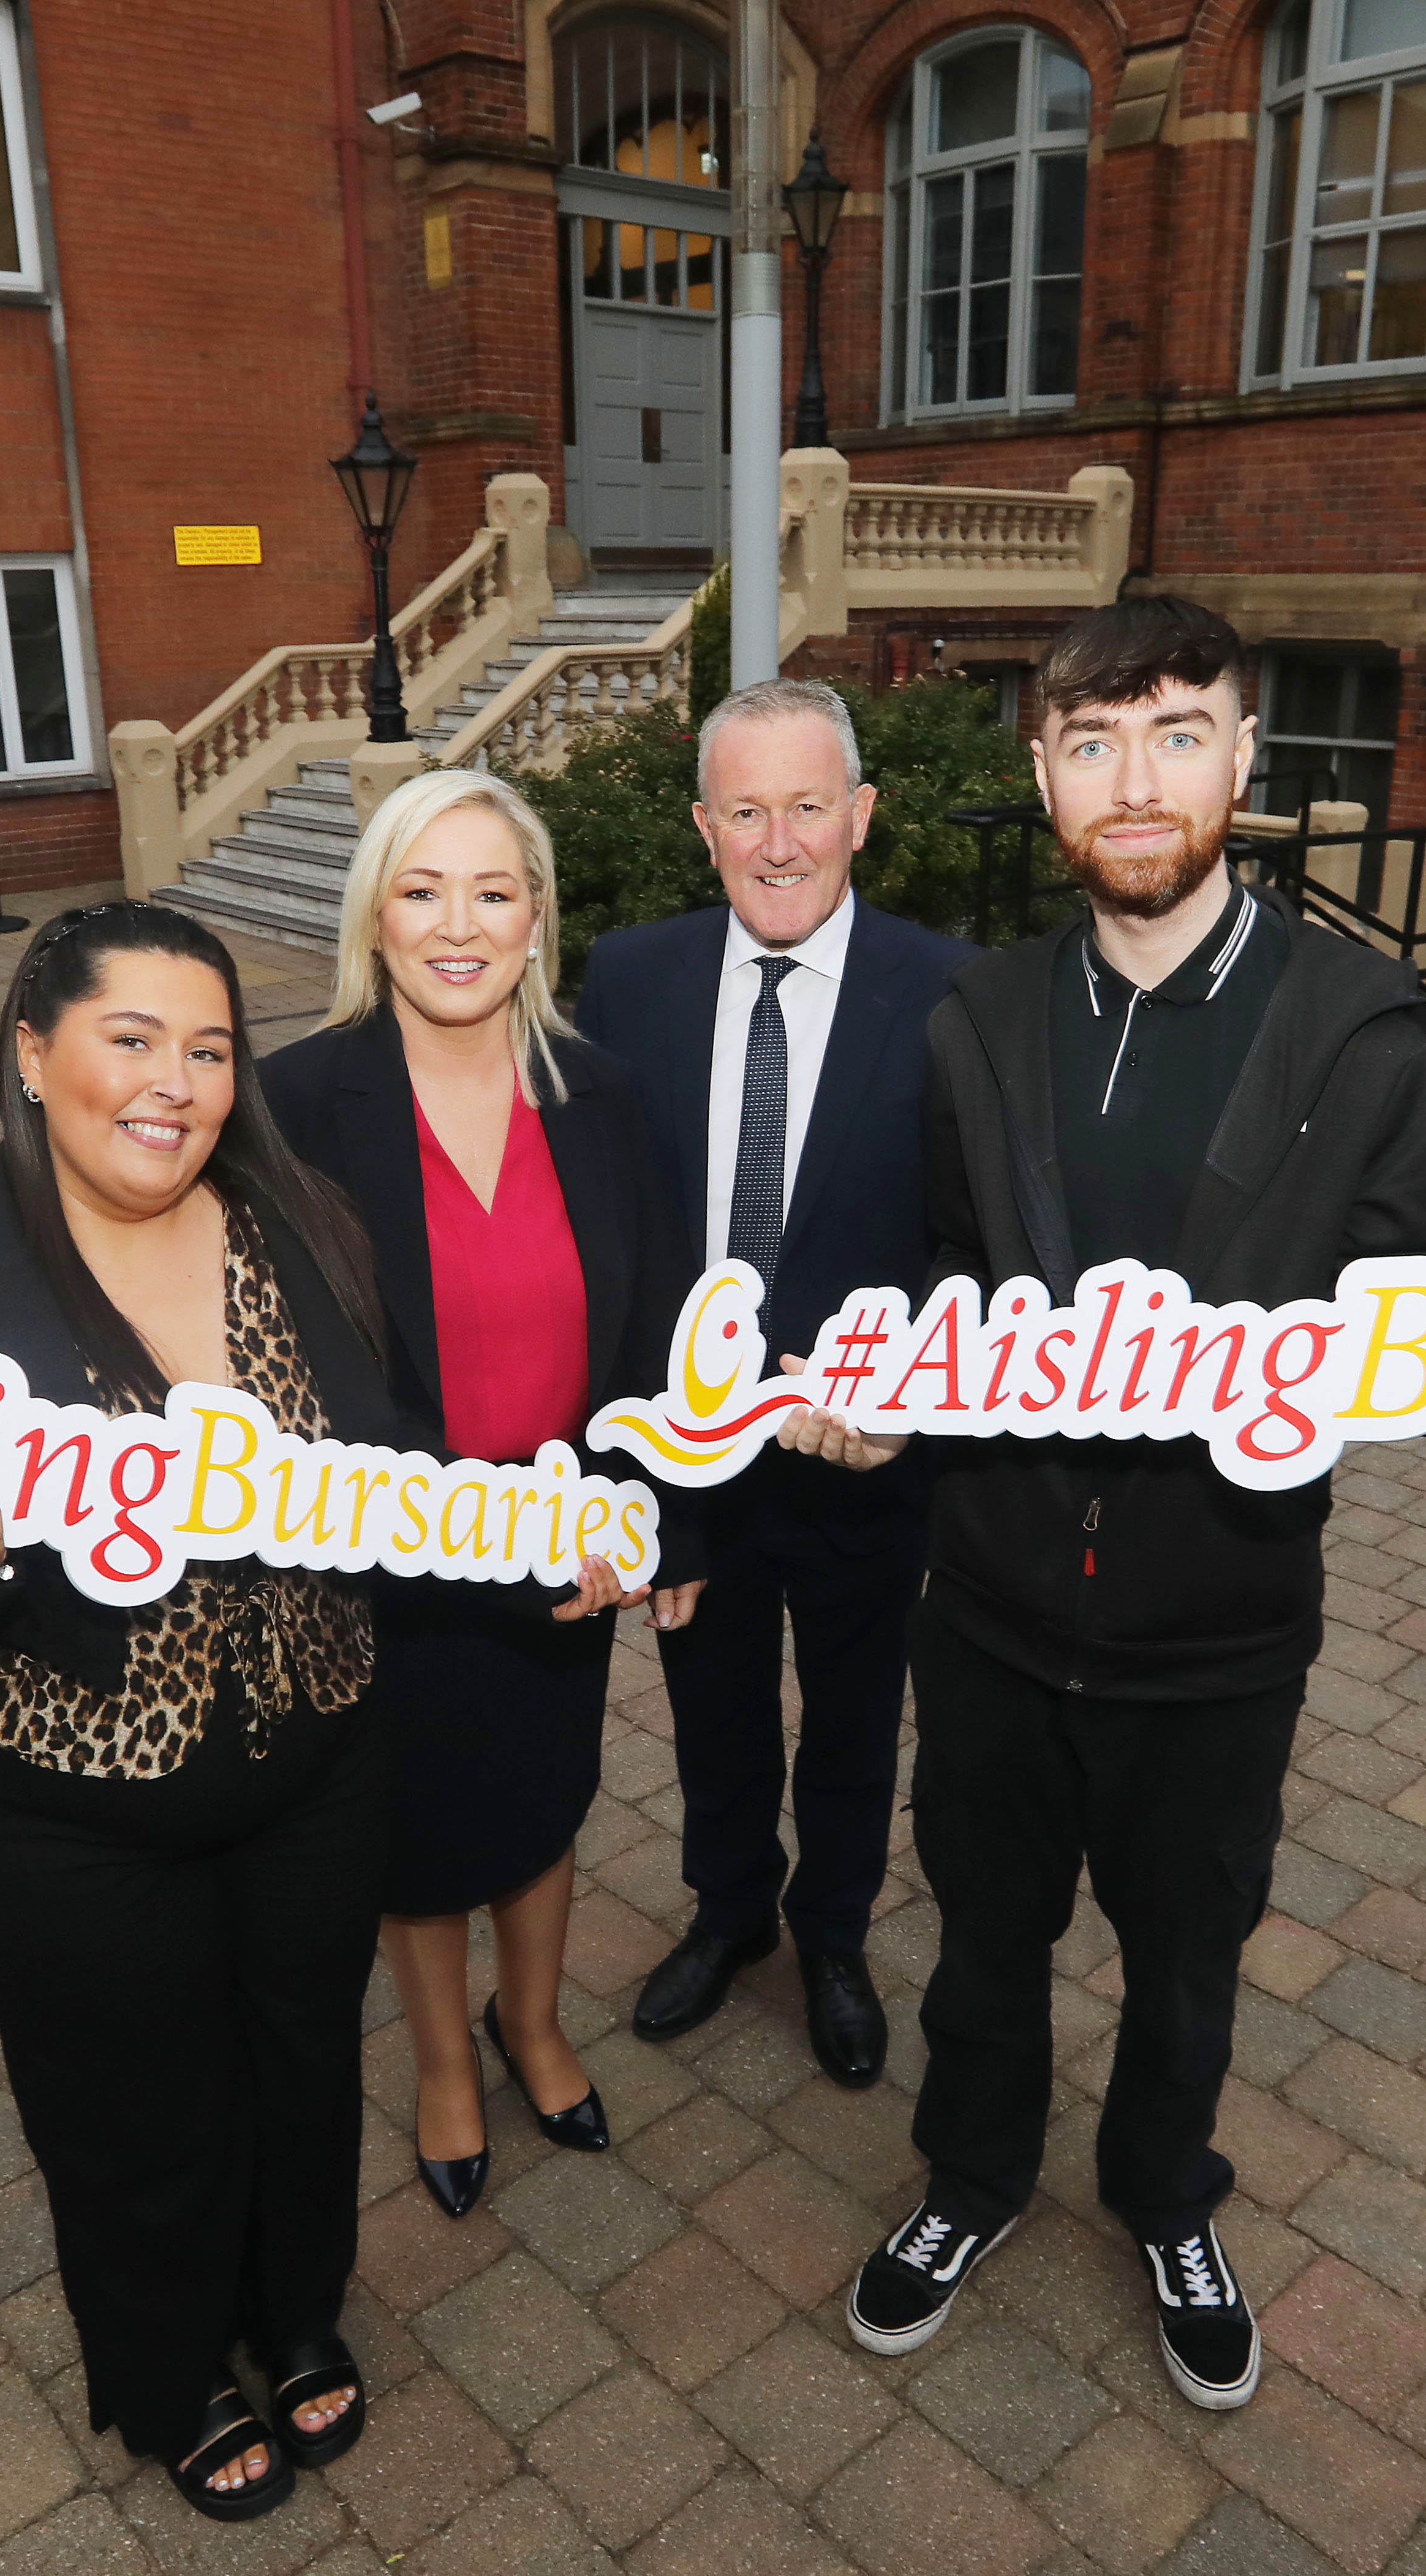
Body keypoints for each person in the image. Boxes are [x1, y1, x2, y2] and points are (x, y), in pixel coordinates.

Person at [774, 597, 1426, 2412]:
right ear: (1045, 777)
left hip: (1223, 1615)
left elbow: (1409, 1278)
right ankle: (973, 2175)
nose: (1132, 781)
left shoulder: (1360, 1026)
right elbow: (941, 1265)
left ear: (1244, 758)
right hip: (987, 1596)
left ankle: (1165, 2194)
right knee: (982, 1929)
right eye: (1089, 741)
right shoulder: (977, 1017)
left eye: (1173, 735)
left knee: (1186, 1952)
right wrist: (872, 1390)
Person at [0, 902, 399, 2523]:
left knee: (300, 2060)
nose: (175, 1084)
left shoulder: (305, 1226)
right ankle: (164, 2365)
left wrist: (548, 1540)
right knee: (133, 2101)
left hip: (318, 1759)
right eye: (130, 1039)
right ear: (31, 1052)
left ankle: (290, 2311)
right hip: (68, 1810)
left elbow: (396, 1472)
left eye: (208, 1050)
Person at [266, 768, 707, 2219]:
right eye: (422, 888)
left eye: (493, 892)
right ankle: (446, 2063)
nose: (458, 924)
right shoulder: (293, 1106)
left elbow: (651, 1331)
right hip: (399, 1556)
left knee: (540, 1797)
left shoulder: (603, 1094)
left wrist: (660, 1516)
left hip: (570, 1544)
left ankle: (533, 2024)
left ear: (535, 922)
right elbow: (297, 1370)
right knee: (411, 1834)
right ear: (375, 915)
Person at [573, 677, 970, 2087]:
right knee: (712, 1707)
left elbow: (973, 1238)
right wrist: (630, 1474)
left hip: (867, 1460)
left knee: (857, 1719)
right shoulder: (628, 980)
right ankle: (730, 1910)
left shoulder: (949, 990)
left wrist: (898, 1381)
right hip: (694, 1465)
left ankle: (835, 1938)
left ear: (860, 816)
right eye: (747, 810)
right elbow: (598, 1232)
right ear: (704, 826)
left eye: (808, 806)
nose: (779, 840)